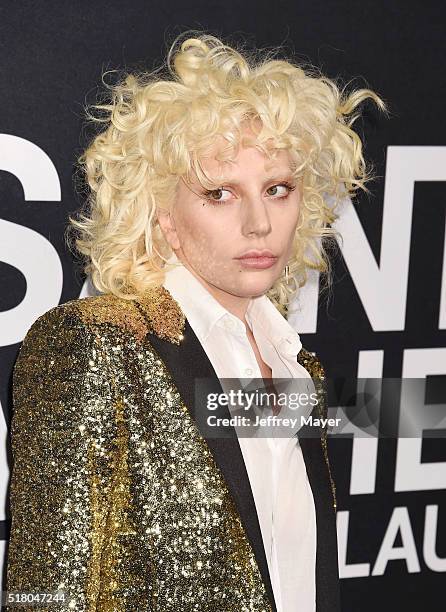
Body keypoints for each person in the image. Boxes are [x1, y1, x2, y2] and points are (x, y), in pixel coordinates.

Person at [6, 32, 386, 611]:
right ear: (162, 214)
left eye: (277, 189)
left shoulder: (294, 366)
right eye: (220, 193)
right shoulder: (96, 346)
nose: (259, 222)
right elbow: (48, 597)